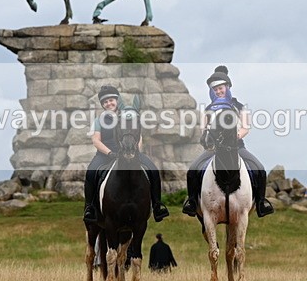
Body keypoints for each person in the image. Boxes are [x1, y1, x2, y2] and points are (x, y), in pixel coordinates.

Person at [182, 65, 274, 218]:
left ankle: (261, 203)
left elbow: (246, 127)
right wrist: (205, 137)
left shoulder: (238, 106)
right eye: (216, 90)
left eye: (221, 88)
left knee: (259, 169)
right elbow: (203, 128)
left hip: (236, 147)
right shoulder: (209, 110)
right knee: (192, 170)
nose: (218, 92)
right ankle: (192, 201)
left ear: (228, 87)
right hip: (214, 149)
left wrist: (236, 136)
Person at [83, 85, 169, 224]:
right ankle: (90, 208)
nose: (108, 103)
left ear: (117, 100)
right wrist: (110, 153)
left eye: (111, 100)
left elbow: (138, 136)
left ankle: (157, 205)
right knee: (91, 173)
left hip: (131, 152)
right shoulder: (99, 120)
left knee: (152, 170)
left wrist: (136, 150)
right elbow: (96, 140)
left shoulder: (129, 116)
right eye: (105, 102)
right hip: (106, 154)